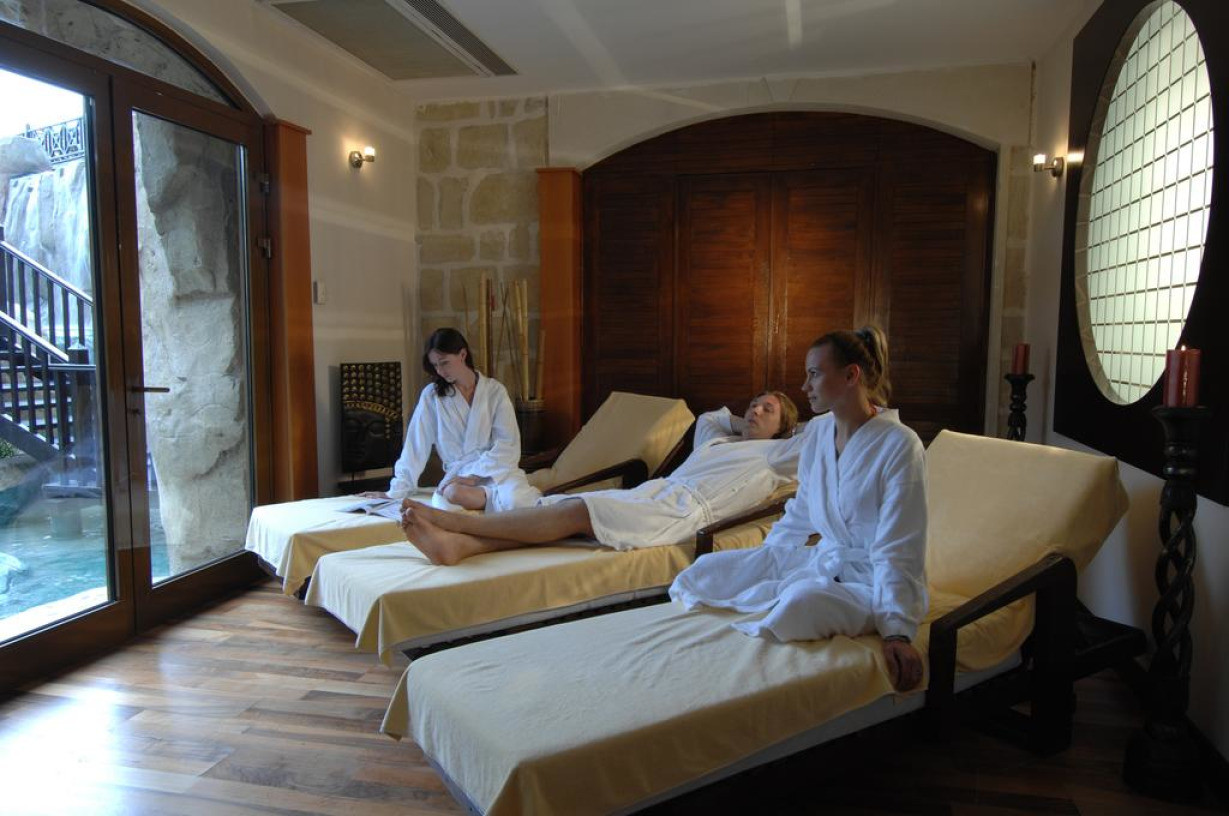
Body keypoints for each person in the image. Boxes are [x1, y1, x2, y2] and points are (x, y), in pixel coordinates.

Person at [669, 326, 928, 693]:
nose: (805, 386)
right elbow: (801, 511)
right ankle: (774, 590)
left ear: (851, 375)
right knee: (705, 571)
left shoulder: (899, 444)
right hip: (825, 562)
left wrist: (897, 631)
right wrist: (765, 561)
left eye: (814, 374)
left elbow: (900, 545)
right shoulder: (819, 433)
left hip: (872, 584)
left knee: (800, 601)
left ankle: (784, 616)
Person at [399, 390, 802, 565]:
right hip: (656, 492)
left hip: (682, 511)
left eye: (767, 410)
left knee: (577, 511)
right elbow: (712, 417)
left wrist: (783, 433)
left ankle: (455, 523)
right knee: (559, 509)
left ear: (784, 429)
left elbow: (821, 434)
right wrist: (743, 424)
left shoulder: (777, 455)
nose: (755, 410)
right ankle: (460, 547)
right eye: (753, 404)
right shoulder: (717, 441)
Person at [362, 328, 540, 513]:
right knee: (450, 498)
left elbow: (508, 445)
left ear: (462, 355)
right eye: (435, 365)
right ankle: (492, 500)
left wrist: (473, 476)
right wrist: (395, 492)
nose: (440, 371)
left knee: (516, 499)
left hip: (497, 472)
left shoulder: (495, 392)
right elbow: (415, 446)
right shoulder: (432, 396)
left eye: (444, 363)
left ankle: (491, 497)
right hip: (459, 480)